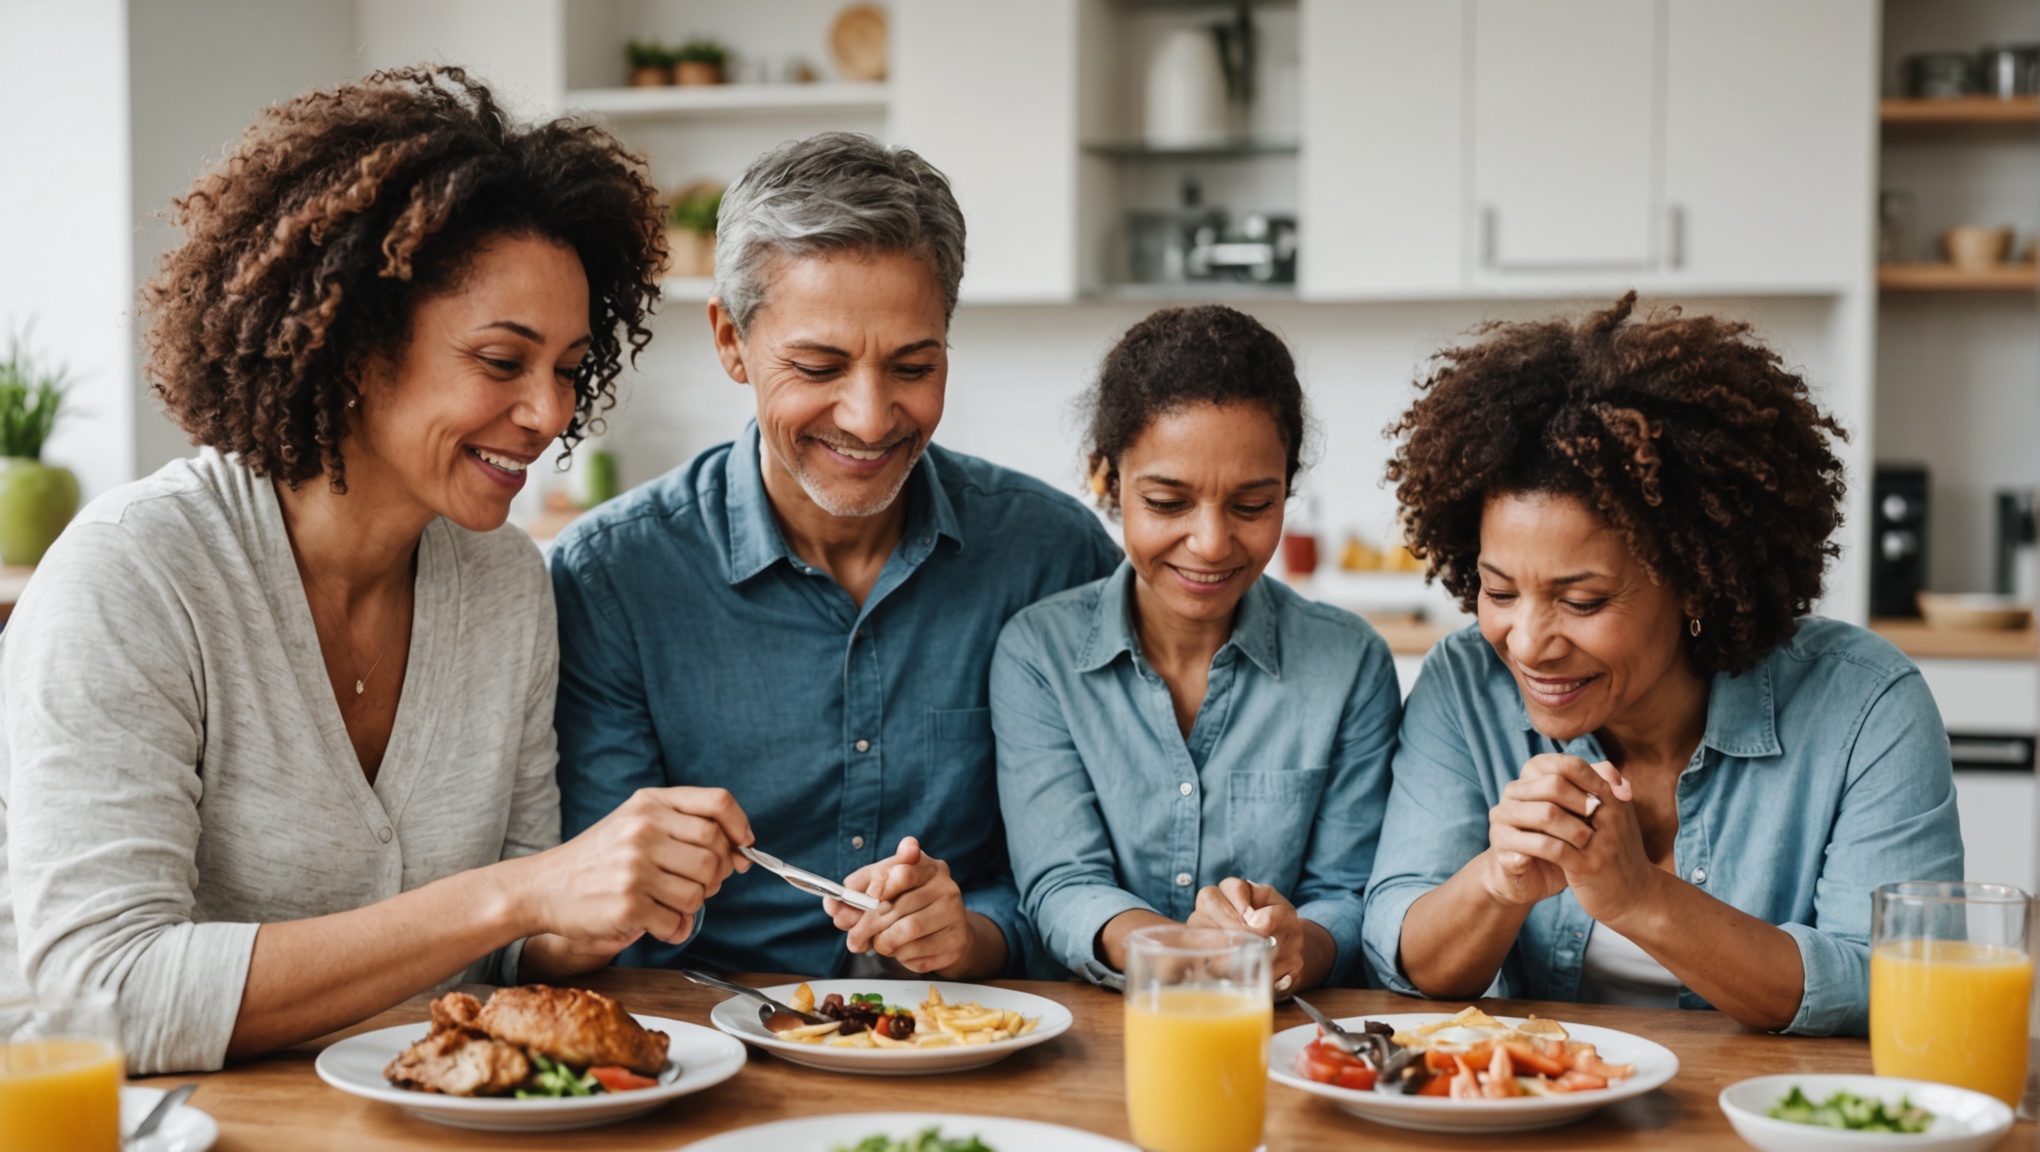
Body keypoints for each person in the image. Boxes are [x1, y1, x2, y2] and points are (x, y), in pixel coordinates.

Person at [0, 67, 757, 1075]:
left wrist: (572, 918)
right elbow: (98, 994)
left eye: (570, 368)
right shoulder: (136, 577)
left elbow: (498, 935)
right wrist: (520, 897)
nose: (548, 413)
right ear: (358, 340)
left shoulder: (504, 586)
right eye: (502, 361)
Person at [550, 132, 1122, 980]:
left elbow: (1080, 876)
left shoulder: (1053, 556)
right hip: (710, 1046)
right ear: (730, 342)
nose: (867, 416)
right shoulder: (611, 579)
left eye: (914, 365)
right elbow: (598, 924)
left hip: (972, 1042)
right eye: (818, 366)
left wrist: (976, 929)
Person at [1362, 293, 1962, 1036]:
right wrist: (1497, 879)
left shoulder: (1865, 705)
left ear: (1696, 585)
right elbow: (1398, 943)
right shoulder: (1465, 685)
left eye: (1581, 601)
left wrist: (1640, 897)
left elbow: (1893, 981)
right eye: (1499, 591)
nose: (1525, 642)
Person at [992, 306, 1399, 994]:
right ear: (1107, 482)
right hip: (1090, 1038)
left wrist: (1298, 942)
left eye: (1250, 506)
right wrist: (1188, 953)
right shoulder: (1039, 654)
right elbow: (1062, 883)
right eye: (1168, 502)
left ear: (1287, 489)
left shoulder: (1350, 663)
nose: (1211, 543)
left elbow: (1351, 896)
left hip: (1282, 1035)